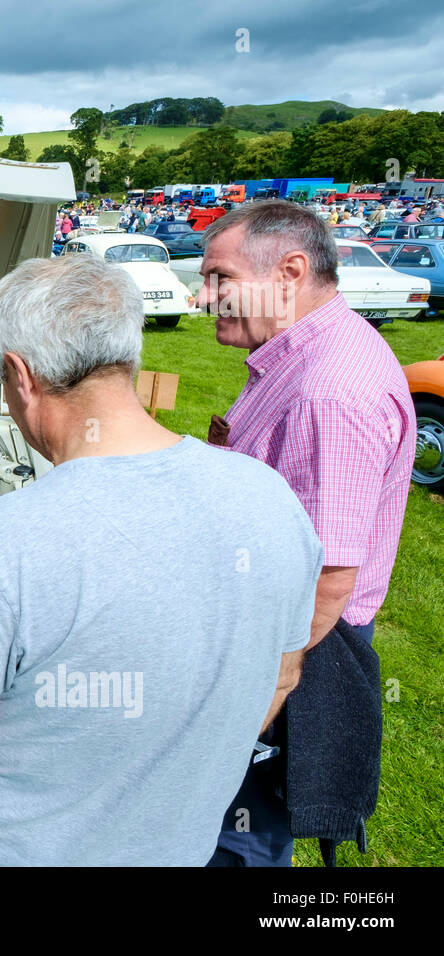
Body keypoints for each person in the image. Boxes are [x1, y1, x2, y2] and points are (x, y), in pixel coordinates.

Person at [0, 254, 322, 867]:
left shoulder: (5, 539)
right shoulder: (273, 497)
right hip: (179, 848)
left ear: (21, 376)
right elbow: (280, 676)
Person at [198, 200, 414, 866]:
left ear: (290, 271)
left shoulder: (329, 392)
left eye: (219, 280)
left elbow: (328, 580)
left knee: (239, 840)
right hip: (269, 636)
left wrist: (253, 709)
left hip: (294, 652)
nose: (200, 297)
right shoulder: (301, 355)